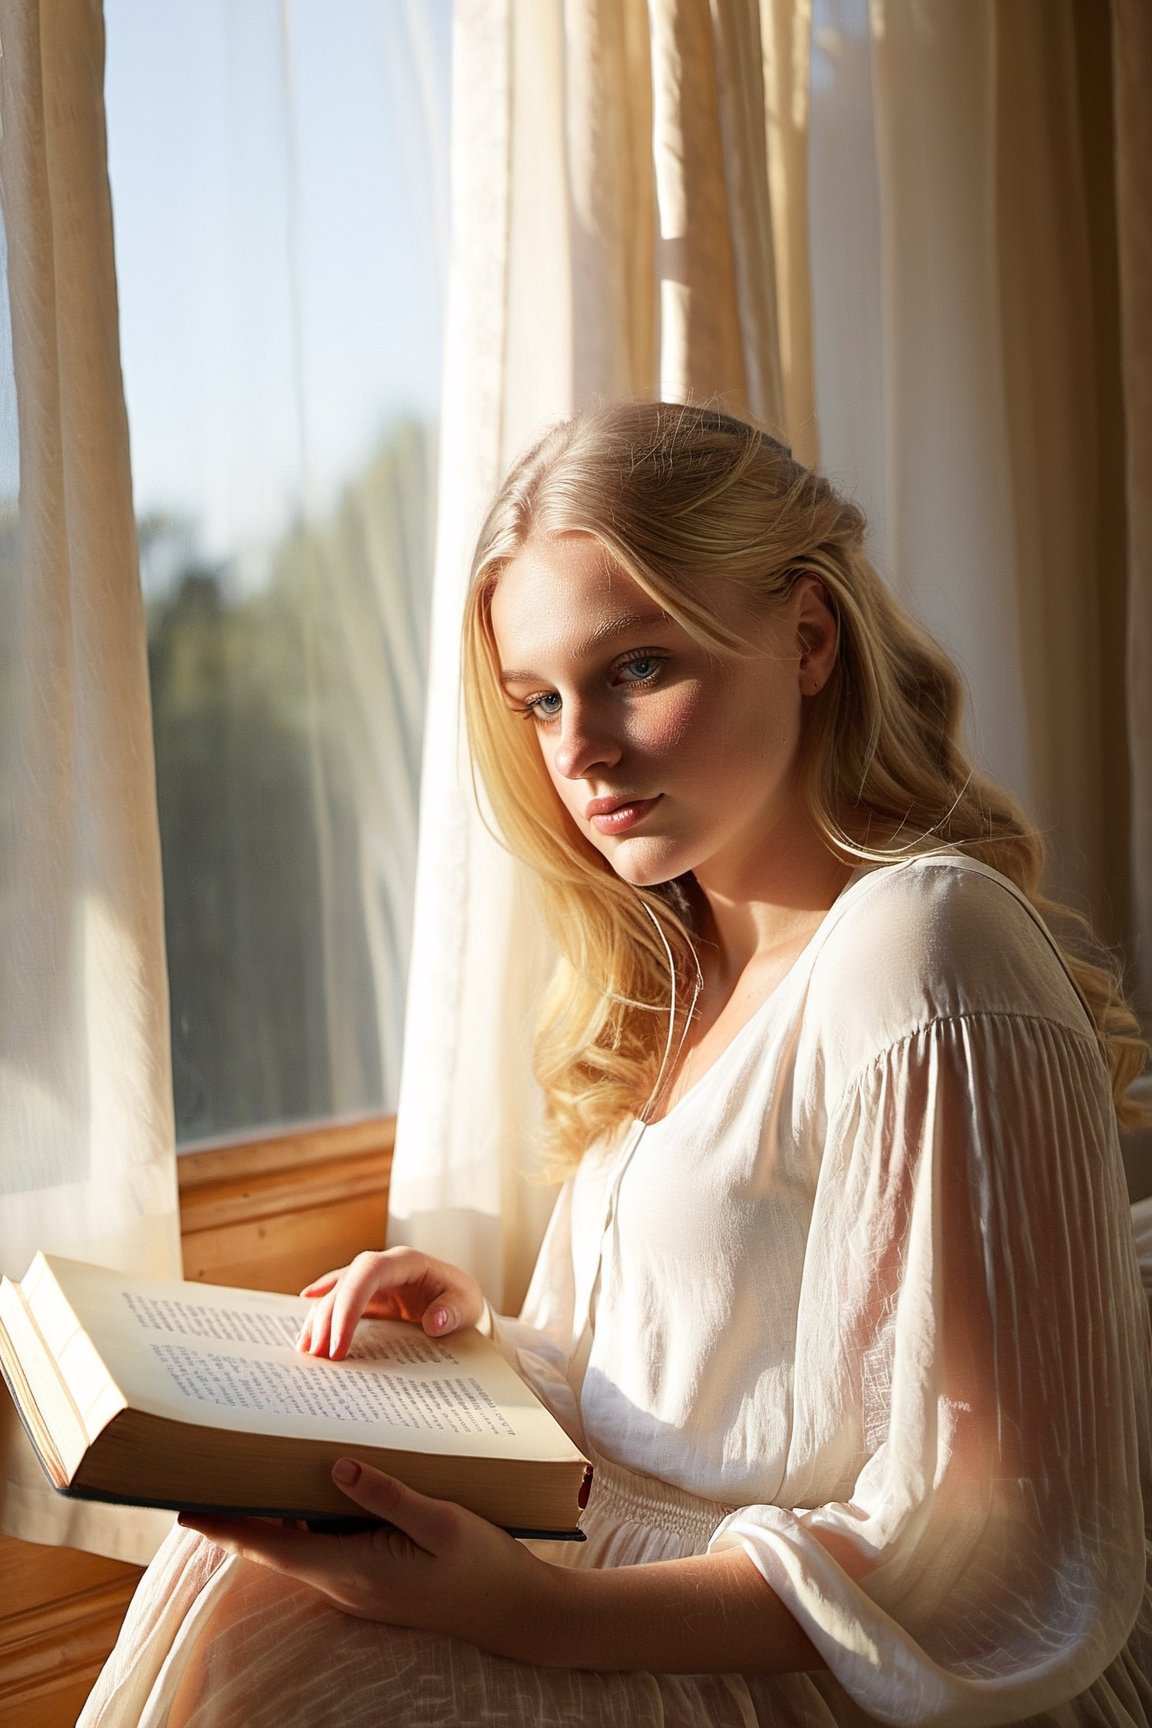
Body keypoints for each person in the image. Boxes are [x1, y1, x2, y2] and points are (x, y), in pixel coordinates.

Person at [81, 401, 1152, 1726]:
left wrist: (540, 1615)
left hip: (814, 1662)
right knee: (244, 1581)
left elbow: (994, 1543)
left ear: (808, 637)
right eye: (539, 699)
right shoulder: (671, 967)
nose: (578, 750)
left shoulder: (923, 946)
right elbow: (713, 1380)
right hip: (617, 1572)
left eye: (636, 668)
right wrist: (492, 1349)